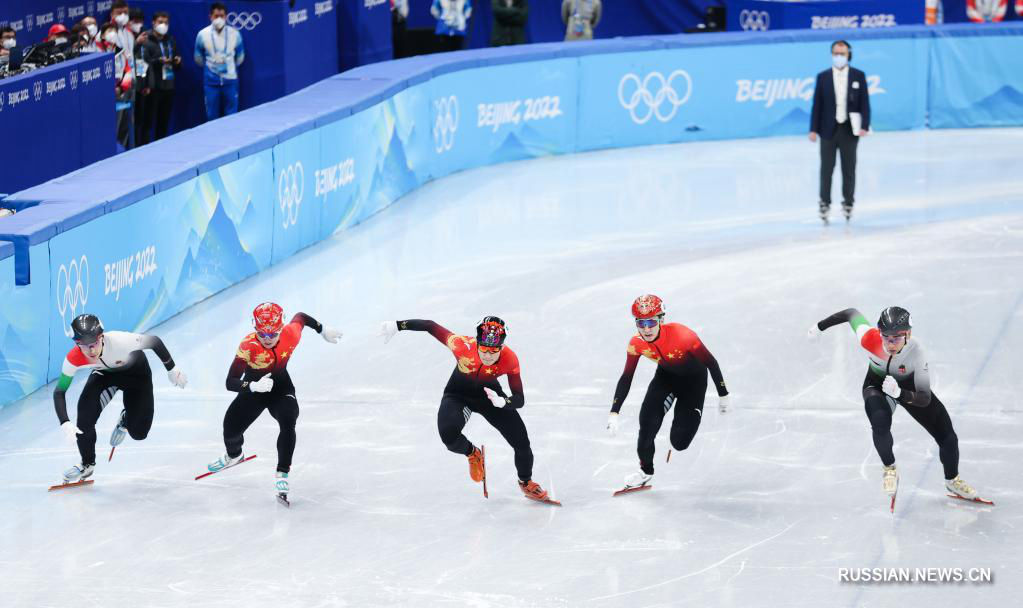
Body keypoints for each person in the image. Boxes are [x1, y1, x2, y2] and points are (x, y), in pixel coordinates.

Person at [809, 307, 981, 503]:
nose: (890, 343)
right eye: (886, 337)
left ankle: (953, 480)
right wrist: (818, 327)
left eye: (897, 338)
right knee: (879, 422)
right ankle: (889, 469)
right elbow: (851, 314)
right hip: (877, 385)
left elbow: (924, 398)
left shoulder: (917, 353)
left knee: (948, 438)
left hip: (910, 389)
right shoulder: (870, 339)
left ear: (908, 334)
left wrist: (900, 393)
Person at [379, 316, 554, 502]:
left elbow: (519, 398)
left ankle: (526, 482)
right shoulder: (462, 345)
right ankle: (472, 453)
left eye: (493, 351)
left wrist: (504, 403)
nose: (488, 356)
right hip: (458, 395)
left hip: (490, 398)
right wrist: (397, 326)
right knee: (448, 436)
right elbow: (430, 326)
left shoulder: (510, 359)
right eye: (484, 350)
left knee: (522, 443)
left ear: (501, 348)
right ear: (477, 343)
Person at [206, 303, 341, 503]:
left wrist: (322, 329)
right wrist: (252, 386)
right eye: (262, 334)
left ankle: (282, 474)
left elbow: (301, 317)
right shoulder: (247, 346)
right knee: (230, 429)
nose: (267, 339)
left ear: (281, 329)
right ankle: (234, 456)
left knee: (288, 419)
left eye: (272, 334)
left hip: (281, 388)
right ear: (255, 329)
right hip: (255, 389)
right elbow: (230, 382)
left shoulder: (290, 334)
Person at [606, 295, 729, 491]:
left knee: (679, 442)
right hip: (666, 378)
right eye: (641, 323)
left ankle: (688, 417)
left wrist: (723, 395)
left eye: (651, 322)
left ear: (661, 320)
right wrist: (614, 412)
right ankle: (646, 471)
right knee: (646, 426)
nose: (646, 329)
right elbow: (626, 377)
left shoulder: (684, 336)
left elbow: (711, 363)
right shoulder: (636, 343)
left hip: (693, 383)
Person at [53, 314, 188, 485]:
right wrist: (64, 421)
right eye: (84, 346)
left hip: (136, 376)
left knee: (139, 434)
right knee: (84, 418)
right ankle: (87, 464)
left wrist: (172, 369)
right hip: (104, 376)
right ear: (77, 344)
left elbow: (154, 341)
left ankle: (126, 418)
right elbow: (59, 391)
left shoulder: (121, 340)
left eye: (94, 344)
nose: (91, 351)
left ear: (101, 337)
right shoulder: (73, 358)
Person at [809, 40, 870, 224]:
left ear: (848, 55)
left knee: (848, 168)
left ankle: (848, 202)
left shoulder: (858, 76)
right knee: (826, 169)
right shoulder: (823, 77)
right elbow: (817, 105)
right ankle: (824, 203)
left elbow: (864, 103)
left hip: (849, 130)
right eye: (836, 53)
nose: (839, 57)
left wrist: (864, 125)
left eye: (842, 54)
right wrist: (813, 129)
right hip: (828, 130)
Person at [194, 2, 246, 121]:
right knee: (211, 116)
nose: (219, 19)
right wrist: (211, 67)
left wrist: (229, 67)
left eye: (221, 16)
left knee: (232, 115)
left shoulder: (235, 34)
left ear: (226, 17)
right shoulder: (202, 34)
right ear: (210, 17)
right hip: (211, 83)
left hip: (230, 81)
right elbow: (198, 58)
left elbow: (240, 57)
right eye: (216, 16)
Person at [138, 12, 180, 142]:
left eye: (166, 23)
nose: (163, 25)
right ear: (153, 23)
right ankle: (143, 147)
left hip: (168, 85)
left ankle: (160, 146)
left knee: (163, 121)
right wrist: (159, 61)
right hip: (153, 87)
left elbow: (176, 59)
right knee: (148, 121)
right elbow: (143, 62)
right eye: (160, 22)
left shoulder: (170, 40)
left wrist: (177, 61)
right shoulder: (146, 40)